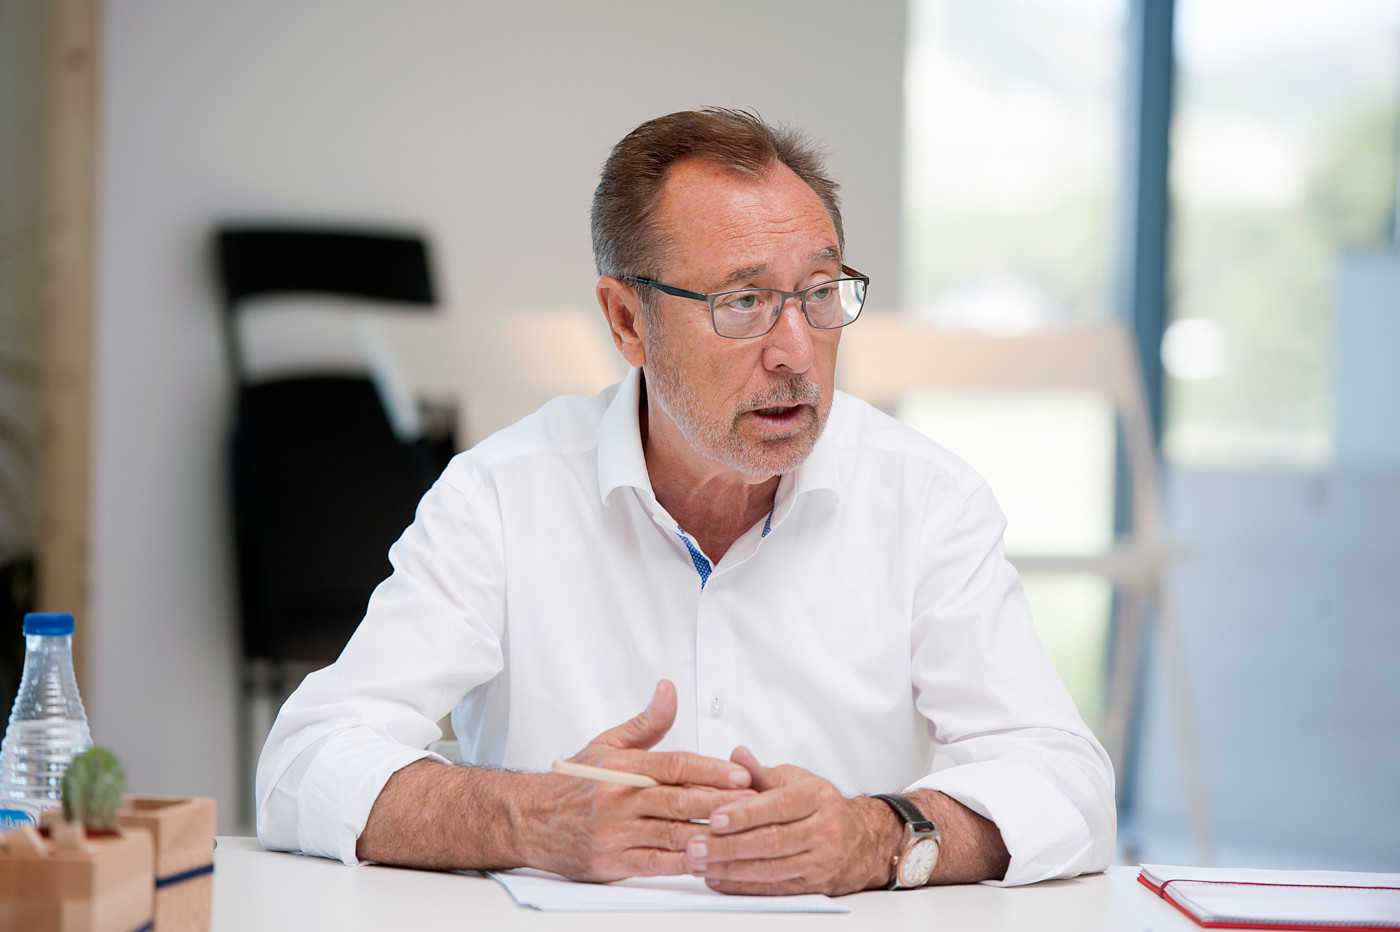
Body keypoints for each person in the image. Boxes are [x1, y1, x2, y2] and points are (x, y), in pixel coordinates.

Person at [256, 108, 1115, 896]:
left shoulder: (926, 499)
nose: (796, 352)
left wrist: (875, 837)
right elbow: (304, 763)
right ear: (626, 320)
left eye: (819, 295)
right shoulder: (501, 497)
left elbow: (1066, 783)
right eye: (743, 302)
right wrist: (530, 817)